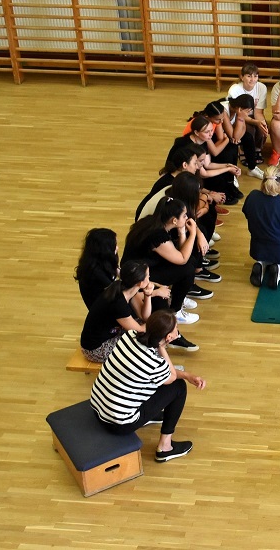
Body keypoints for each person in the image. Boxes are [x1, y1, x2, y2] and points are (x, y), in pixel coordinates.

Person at [90, 309, 206, 462]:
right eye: (176, 329)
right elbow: (171, 376)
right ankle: (165, 447)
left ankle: (149, 415)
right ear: (169, 336)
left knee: (155, 382)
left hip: (98, 407)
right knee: (179, 387)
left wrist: (188, 375)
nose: (178, 331)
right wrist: (162, 347)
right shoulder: (153, 362)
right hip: (118, 424)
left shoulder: (129, 336)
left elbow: (160, 373)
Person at [122, 196, 202, 332]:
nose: (187, 218)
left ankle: (178, 297)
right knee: (188, 268)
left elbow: (181, 254)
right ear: (174, 220)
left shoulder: (152, 222)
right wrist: (193, 233)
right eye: (184, 215)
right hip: (138, 275)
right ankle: (176, 311)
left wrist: (182, 233)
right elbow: (182, 259)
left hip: (144, 267)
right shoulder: (157, 235)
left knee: (190, 262)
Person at [80, 260, 182, 362]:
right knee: (147, 339)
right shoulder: (118, 303)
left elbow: (145, 317)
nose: (149, 279)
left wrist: (148, 295)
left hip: (112, 333)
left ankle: (161, 365)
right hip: (96, 349)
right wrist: (162, 325)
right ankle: (157, 366)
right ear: (140, 283)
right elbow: (140, 330)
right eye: (148, 277)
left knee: (151, 332)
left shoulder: (127, 288)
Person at [227, 62, 269, 169]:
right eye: (249, 76)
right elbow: (238, 113)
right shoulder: (235, 89)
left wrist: (261, 123)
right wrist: (255, 122)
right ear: (242, 77)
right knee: (249, 130)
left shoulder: (262, 87)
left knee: (262, 127)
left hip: (253, 115)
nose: (253, 79)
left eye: (255, 76)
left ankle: (257, 150)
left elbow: (258, 112)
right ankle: (242, 150)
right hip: (239, 116)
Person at [75, 227, 120, 309]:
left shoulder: (103, 260)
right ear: (106, 249)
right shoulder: (95, 272)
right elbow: (116, 291)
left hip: (110, 300)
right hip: (103, 309)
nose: (117, 248)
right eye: (115, 245)